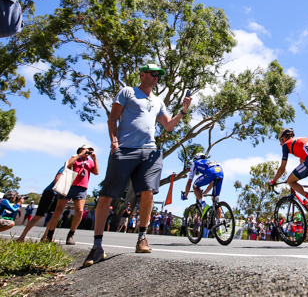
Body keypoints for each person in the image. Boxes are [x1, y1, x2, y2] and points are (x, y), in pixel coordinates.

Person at [83, 63, 192, 267]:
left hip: (149, 151)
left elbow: (168, 126)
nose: (156, 78)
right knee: (107, 195)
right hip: (125, 150)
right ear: (142, 75)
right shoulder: (127, 92)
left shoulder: (158, 101)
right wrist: (114, 142)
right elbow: (112, 119)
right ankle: (97, 246)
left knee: (148, 192)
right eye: (153, 74)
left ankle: (142, 237)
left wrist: (183, 111)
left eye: (159, 75)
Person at [45, 145, 99, 244]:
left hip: (81, 188)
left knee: (80, 211)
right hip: (69, 186)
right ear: (81, 150)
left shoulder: (89, 162)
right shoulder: (74, 159)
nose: (88, 151)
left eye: (90, 150)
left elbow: (96, 172)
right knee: (58, 212)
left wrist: (95, 159)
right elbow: (67, 164)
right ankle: (49, 236)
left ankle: (71, 235)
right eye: (86, 149)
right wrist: (79, 155)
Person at [270, 128, 308, 212]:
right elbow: (302, 163)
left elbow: (282, 168)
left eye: (280, 141)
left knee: (290, 181)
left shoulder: (286, 144)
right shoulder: (302, 140)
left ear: (284, 139)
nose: (280, 144)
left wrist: (274, 180)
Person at [181, 153, 225, 218]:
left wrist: (185, 196)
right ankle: (220, 223)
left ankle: (204, 206)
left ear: (196, 158)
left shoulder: (195, 163)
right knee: (216, 200)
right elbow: (212, 183)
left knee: (195, 186)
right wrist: (204, 193)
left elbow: (189, 182)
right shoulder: (208, 162)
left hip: (210, 172)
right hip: (220, 171)